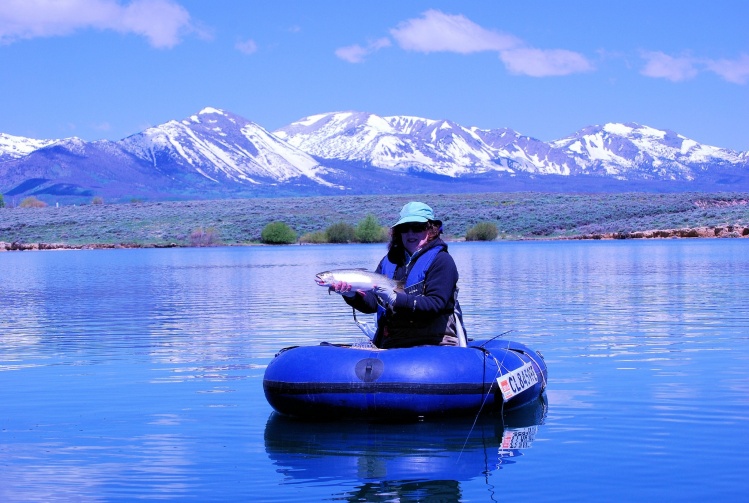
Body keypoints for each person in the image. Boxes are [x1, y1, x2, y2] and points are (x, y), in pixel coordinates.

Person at [332, 202, 465, 349]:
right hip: (393, 343)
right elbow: (372, 304)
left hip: (433, 343)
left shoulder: (442, 261)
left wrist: (396, 299)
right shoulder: (388, 261)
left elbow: (436, 304)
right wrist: (352, 295)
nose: (410, 233)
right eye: (404, 228)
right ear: (398, 232)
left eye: (417, 227)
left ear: (431, 230)